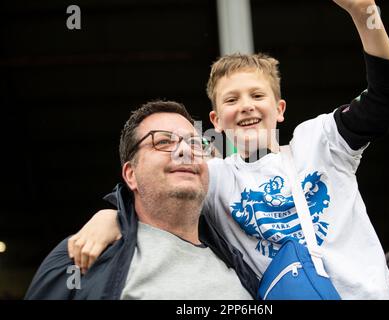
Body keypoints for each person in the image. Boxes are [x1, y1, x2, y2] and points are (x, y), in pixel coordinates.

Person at [69, 0, 389, 299]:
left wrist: (365, 14)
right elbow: (157, 190)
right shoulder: (214, 177)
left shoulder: (319, 143)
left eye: (257, 96)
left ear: (281, 109)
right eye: (232, 99)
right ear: (216, 120)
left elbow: (384, 100)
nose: (246, 106)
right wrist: (111, 216)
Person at [25, 100, 258, 300]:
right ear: (130, 175)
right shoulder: (81, 256)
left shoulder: (244, 257)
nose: (185, 150)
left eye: (196, 143)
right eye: (163, 142)